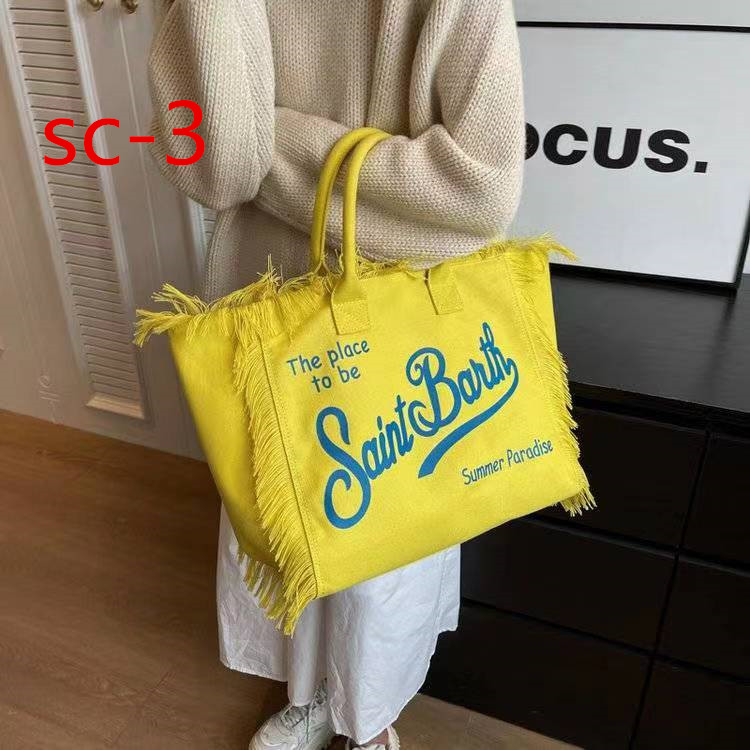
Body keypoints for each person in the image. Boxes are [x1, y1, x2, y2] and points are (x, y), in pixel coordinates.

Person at [148, 1, 524, 748]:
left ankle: (371, 718)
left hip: (400, 328)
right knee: (282, 521)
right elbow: (218, 169)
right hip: (264, 302)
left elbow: (480, 192)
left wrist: (273, 141)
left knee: (386, 551)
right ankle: (311, 695)